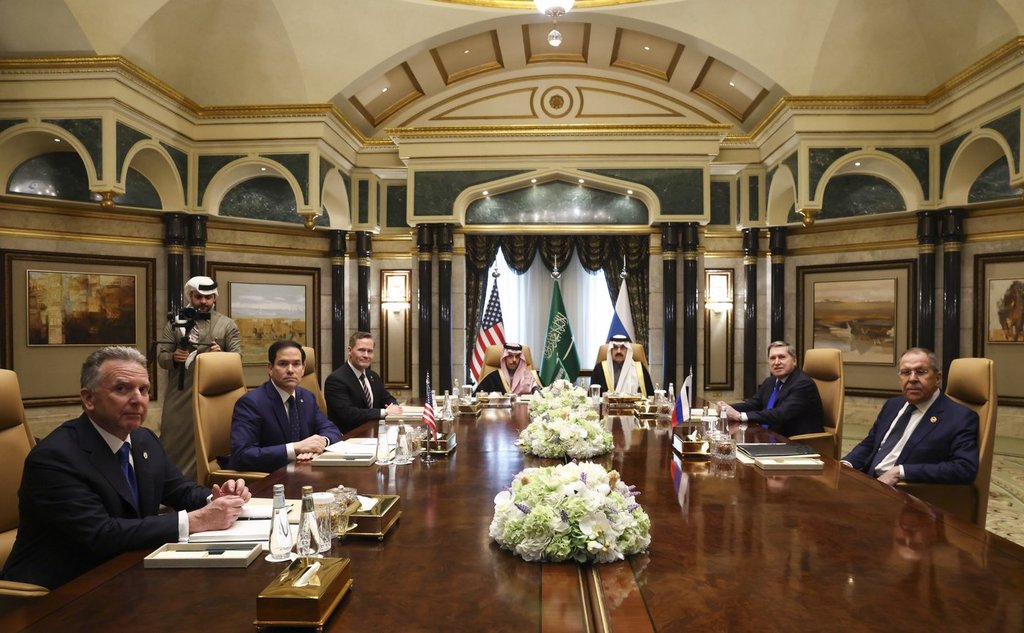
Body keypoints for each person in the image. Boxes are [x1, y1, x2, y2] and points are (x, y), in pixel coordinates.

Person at [2, 346, 250, 590]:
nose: (138, 399)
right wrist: (196, 520)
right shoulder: (55, 457)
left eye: (144, 390)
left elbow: (179, 489)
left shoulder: (144, 439)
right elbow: (101, 534)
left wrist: (215, 497)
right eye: (122, 389)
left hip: (124, 573)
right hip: (58, 593)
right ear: (89, 399)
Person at [842, 348, 978, 486]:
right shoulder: (893, 405)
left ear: (937, 378)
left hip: (903, 493)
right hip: (867, 482)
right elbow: (871, 444)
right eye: (906, 373)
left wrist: (900, 471)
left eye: (920, 372)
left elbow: (964, 468)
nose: (912, 379)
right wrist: (846, 464)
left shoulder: (960, 417)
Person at [156, 275, 240, 480]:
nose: (203, 301)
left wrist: (222, 356)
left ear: (214, 299)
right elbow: (161, 357)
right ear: (190, 296)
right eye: (198, 297)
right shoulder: (174, 324)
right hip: (181, 394)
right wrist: (174, 357)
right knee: (173, 441)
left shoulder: (228, 325)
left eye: (208, 297)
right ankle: (173, 494)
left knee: (213, 442)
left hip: (215, 397)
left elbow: (237, 359)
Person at [226, 340, 343, 472]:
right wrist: (295, 448)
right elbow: (242, 455)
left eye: (296, 364)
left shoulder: (307, 397)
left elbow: (332, 430)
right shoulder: (251, 403)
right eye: (283, 364)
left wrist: (319, 444)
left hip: (301, 471)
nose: (290, 370)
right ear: (270, 368)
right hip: (267, 478)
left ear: (303, 368)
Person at [715, 341, 824, 437]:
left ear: (794, 361)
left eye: (781, 357)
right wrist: (727, 408)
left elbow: (780, 414)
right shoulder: (770, 381)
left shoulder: (803, 384)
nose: (776, 362)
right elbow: (753, 404)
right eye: (772, 358)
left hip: (795, 443)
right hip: (769, 436)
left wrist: (739, 416)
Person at [324, 331, 401, 433]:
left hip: (374, 433)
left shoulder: (373, 376)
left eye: (370, 351)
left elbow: (388, 399)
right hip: (348, 438)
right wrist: (385, 412)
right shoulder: (336, 380)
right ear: (350, 351)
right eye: (361, 350)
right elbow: (349, 414)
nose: (366, 355)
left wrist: (394, 407)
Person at [589, 335, 654, 397]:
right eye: (615, 347)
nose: (619, 351)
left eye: (622, 347)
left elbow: (650, 396)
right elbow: (593, 397)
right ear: (610, 350)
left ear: (627, 350)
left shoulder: (639, 368)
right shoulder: (599, 369)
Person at [474, 343, 542, 395]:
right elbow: (476, 397)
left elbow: (546, 396)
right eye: (510, 356)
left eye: (517, 356)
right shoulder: (492, 378)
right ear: (504, 358)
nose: (514, 360)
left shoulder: (531, 377)